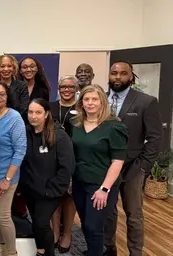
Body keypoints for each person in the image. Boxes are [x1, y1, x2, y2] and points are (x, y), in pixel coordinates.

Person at [103, 61, 163, 256]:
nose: (118, 77)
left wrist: (144, 166)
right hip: (105, 166)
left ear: (131, 76)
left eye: (123, 73)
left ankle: (135, 252)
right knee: (108, 211)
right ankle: (108, 248)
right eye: (114, 73)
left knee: (134, 214)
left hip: (132, 167)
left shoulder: (146, 101)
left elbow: (155, 137)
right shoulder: (100, 99)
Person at [70, 84, 127, 256]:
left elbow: (117, 161)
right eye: (86, 99)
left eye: (94, 99)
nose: (90, 103)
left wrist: (104, 189)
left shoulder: (114, 127)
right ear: (81, 102)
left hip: (101, 185)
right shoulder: (76, 124)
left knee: (94, 227)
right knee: (85, 224)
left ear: (102, 101)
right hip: (79, 182)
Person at [20, 98, 75, 256]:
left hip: (49, 192)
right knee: (36, 224)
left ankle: (49, 253)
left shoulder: (59, 136)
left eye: (38, 112)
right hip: (30, 190)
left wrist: (51, 191)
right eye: (31, 112)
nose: (33, 116)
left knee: (41, 223)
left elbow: (67, 167)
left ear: (46, 114)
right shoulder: (25, 132)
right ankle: (41, 250)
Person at [0, 81, 27, 256]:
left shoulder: (14, 117)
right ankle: (0, 250)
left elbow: (20, 150)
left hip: (6, 176)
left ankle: (10, 253)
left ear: (8, 97)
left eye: (2, 94)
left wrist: (7, 179)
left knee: (2, 216)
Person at [48, 75, 79, 253]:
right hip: (52, 158)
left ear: (76, 89)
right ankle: (55, 231)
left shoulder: (82, 108)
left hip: (75, 157)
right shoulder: (51, 106)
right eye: (63, 87)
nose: (66, 90)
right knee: (54, 195)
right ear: (58, 89)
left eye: (70, 87)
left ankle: (67, 233)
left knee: (69, 196)